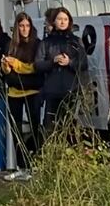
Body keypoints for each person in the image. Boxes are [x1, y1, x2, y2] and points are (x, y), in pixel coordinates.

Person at [0, 12, 44, 181]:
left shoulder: (37, 45)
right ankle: (21, 166)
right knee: (16, 130)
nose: (24, 29)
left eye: (27, 26)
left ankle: (36, 164)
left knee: (34, 128)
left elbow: (34, 68)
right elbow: (5, 73)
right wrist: (6, 67)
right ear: (17, 28)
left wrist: (17, 65)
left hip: (32, 91)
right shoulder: (11, 45)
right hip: (14, 91)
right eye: (21, 26)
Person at [34, 7, 87, 136]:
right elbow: (38, 64)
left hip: (71, 91)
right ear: (54, 21)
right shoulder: (46, 43)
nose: (62, 22)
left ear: (69, 22)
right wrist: (53, 62)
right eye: (59, 19)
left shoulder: (76, 41)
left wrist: (70, 62)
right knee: (50, 130)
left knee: (70, 130)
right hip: (52, 91)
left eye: (65, 19)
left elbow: (84, 64)